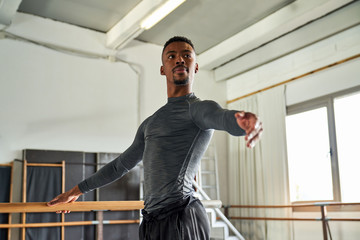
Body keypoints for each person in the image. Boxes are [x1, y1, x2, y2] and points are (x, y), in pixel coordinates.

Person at [48, 36, 263, 240]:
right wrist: (76, 191)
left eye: (187, 55)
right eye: (171, 56)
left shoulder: (198, 109)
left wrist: (244, 122)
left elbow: (223, 118)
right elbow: (119, 166)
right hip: (151, 221)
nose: (179, 59)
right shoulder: (150, 123)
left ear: (195, 66)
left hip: (181, 217)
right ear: (163, 69)